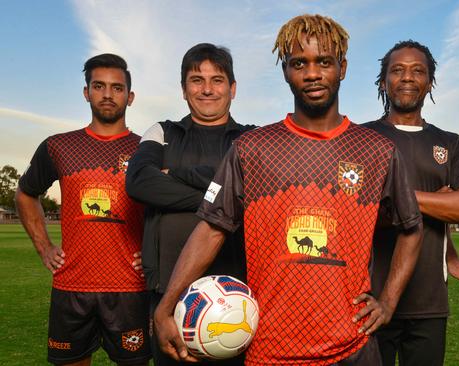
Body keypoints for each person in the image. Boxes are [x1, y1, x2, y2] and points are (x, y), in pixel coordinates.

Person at [153, 14, 424, 365]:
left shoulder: (376, 150)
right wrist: (164, 308)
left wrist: (387, 302)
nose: (312, 74)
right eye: (299, 63)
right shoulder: (252, 148)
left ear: (341, 68)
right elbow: (211, 228)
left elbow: (411, 227)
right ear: (285, 71)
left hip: (353, 348)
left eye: (323, 62)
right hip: (270, 348)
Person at [15, 54, 150, 366]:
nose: (107, 94)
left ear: (129, 97)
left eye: (117, 88)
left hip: (130, 287)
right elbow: (26, 194)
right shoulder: (59, 146)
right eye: (98, 85)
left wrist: (155, 253)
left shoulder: (147, 151)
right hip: (72, 286)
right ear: (86, 92)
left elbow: (168, 208)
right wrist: (44, 247)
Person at [364, 40, 459, 366]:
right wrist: (441, 201)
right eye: (398, 70)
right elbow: (357, 210)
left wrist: (401, 197)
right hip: (365, 298)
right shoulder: (359, 139)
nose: (408, 77)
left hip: (429, 301)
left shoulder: (451, 144)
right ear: (383, 81)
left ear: (430, 82)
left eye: (418, 70)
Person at [126, 43, 253, 366]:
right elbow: (140, 181)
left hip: (236, 297)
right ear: (184, 89)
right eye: (197, 80)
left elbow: (254, 193)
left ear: (233, 88)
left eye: (218, 79)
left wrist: (179, 175)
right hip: (168, 296)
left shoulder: (252, 139)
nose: (207, 89)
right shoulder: (163, 132)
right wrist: (222, 199)